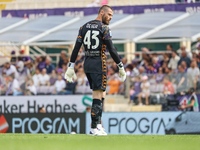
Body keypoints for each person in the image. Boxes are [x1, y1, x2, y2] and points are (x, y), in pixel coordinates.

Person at [64, 5, 126, 136]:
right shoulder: (104, 28)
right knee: (98, 95)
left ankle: (98, 124)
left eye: (111, 16)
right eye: (109, 15)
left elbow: (76, 48)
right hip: (99, 63)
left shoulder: (83, 27)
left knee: (101, 94)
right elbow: (112, 49)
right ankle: (93, 128)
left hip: (87, 63)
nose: (110, 18)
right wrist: (120, 65)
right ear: (101, 12)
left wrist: (71, 66)